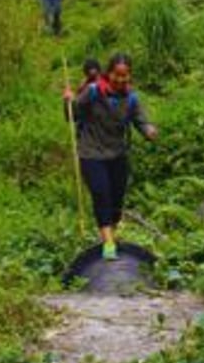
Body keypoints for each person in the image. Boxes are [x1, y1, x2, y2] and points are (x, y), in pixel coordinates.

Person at [63, 53, 158, 260]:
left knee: (116, 199)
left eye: (125, 76)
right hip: (91, 152)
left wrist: (149, 130)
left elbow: (141, 121)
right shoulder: (93, 91)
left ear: (129, 76)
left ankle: (110, 235)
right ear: (109, 73)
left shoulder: (131, 98)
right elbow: (72, 115)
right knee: (101, 193)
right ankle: (107, 242)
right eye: (117, 75)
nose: (121, 79)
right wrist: (69, 101)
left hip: (117, 153)